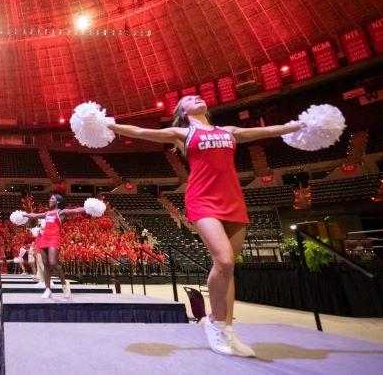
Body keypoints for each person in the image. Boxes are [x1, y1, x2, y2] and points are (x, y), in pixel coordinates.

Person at [107, 94, 304, 357]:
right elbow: (141, 131)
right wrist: (108, 125)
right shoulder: (182, 133)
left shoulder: (228, 131)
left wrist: (300, 125)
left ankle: (228, 330)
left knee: (229, 268)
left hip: (233, 199)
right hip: (202, 199)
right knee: (223, 260)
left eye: (197, 95)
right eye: (188, 98)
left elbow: (266, 130)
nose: (196, 97)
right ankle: (214, 321)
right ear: (182, 110)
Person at [22, 195, 87, 299]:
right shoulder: (47, 213)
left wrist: (87, 208)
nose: (49, 200)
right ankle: (48, 289)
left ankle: (64, 284)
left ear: (57, 202)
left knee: (53, 263)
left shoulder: (61, 212)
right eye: (50, 198)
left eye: (52, 199)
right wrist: (23, 215)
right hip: (44, 239)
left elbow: (75, 210)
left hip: (54, 239)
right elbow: (34, 216)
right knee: (46, 265)